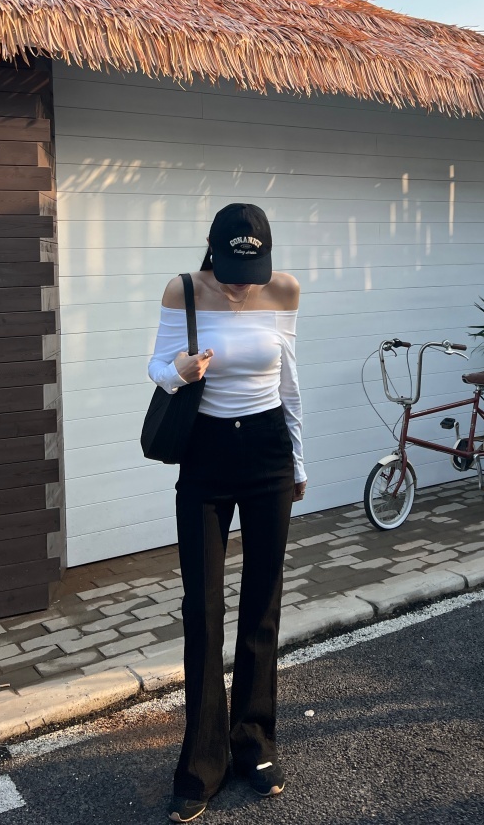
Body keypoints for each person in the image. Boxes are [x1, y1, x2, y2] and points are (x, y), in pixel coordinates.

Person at [147, 202, 307, 823]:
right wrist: (179, 371)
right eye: (235, 273)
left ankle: (255, 743)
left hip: (268, 452)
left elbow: (289, 381)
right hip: (206, 457)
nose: (244, 286)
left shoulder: (284, 290)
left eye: (253, 272)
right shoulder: (183, 291)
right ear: (213, 251)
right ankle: (202, 762)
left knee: (263, 601)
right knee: (203, 608)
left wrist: (299, 461)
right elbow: (157, 365)